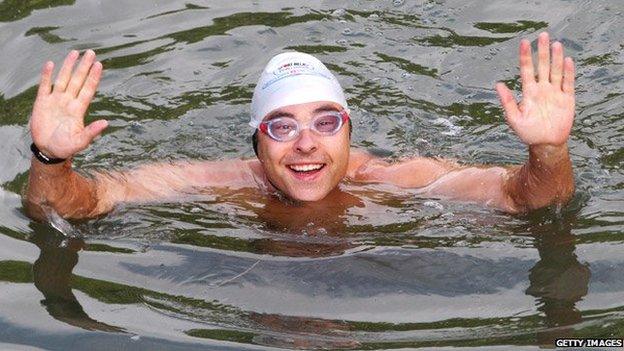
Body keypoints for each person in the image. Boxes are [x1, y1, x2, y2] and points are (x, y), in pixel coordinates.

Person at [24, 32, 575, 221]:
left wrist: (548, 150)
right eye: (282, 127)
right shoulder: (224, 184)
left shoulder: (399, 179)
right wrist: (51, 159)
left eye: (325, 122)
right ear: (256, 143)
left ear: (349, 132)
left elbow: (523, 199)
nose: (307, 142)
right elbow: (85, 201)